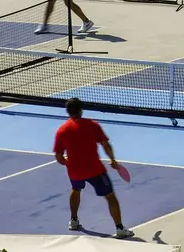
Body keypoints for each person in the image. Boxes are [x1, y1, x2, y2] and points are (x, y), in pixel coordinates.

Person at [53, 98, 134, 239]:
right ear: (81, 110)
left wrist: (70, 164)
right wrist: (112, 160)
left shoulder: (61, 131)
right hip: (95, 170)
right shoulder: (92, 125)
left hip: (75, 171)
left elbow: (59, 157)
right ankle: (120, 228)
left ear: (68, 111)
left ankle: (73, 221)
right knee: (110, 196)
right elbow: (105, 145)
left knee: (75, 189)